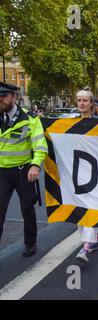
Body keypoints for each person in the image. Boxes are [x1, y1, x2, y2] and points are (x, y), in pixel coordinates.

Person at [0, 82, 48, 257]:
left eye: (4, 96)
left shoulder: (30, 118)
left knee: (27, 208)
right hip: (2, 172)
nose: (1, 100)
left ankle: (30, 243)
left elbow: (40, 145)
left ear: (14, 97)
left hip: (23, 170)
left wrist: (35, 165)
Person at [75, 89, 98, 263]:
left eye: (85, 100)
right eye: (79, 100)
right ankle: (96, 239)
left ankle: (86, 246)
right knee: (79, 208)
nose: (82, 103)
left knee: (90, 207)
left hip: (96, 172)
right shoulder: (68, 123)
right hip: (77, 172)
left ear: (92, 103)